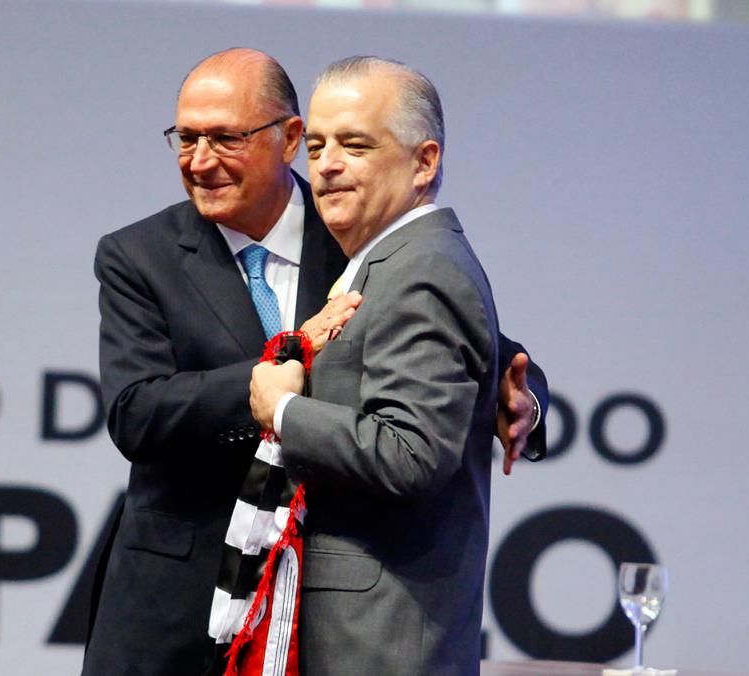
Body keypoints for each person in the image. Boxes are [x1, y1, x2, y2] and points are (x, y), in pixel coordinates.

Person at [84, 48, 546, 676]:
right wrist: (269, 383)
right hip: (177, 605)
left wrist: (523, 397)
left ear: (287, 138)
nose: (200, 161)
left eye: (225, 138)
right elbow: (135, 412)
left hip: (320, 606)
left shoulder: (358, 226)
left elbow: (470, 337)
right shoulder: (139, 255)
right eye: (186, 139)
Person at [249, 56, 503, 675]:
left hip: (383, 641)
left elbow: (410, 453)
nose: (326, 165)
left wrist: (284, 410)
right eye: (316, 146)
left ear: (424, 162)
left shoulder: (422, 270)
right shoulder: (386, 261)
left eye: (355, 145)